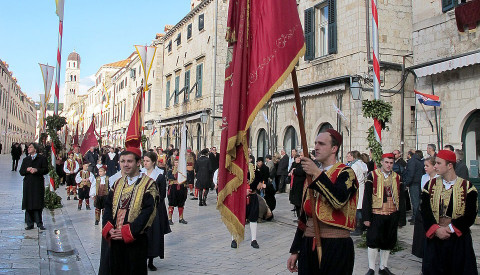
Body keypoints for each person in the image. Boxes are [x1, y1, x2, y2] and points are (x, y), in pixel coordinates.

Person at [287, 129, 358, 274]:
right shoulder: (311, 175)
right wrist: (296, 249)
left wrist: (317, 174)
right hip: (309, 243)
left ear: (334, 149)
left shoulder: (346, 173)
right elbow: (304, 217)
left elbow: (338, 201)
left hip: (336, 245)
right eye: (315, 143)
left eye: (321, 144)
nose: (316, 147)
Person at [101, 148, 158, 275]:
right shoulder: (117, 183)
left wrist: (128, 231)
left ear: (138, 163)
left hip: (135, 239)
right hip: (115, 238)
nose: (125, 164)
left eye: (129, 161)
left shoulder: (148, 185)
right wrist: (109, 227)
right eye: (122, 161)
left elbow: (148, 213)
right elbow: (108, 206)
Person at [420, 150, 478, 275]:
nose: (435, 166)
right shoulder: (429, 186)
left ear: (449, 165)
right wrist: (436, 229)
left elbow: (470, 215)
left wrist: (450, 228)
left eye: (439, 163)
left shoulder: (468, 187)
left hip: (458, 240)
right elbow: (425, 211)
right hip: (435, 238)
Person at [363, 153, 404, 275]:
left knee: (388, 240)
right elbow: (367, 197)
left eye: (391, 163)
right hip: (377, 213)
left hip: (392, 213)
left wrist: (401, 218)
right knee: (373, 240)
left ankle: (383, 267)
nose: (389, 165)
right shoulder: (373, 175)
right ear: (382, 162)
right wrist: (366, 217)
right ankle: (371, 268)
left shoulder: (398, 177)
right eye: (386, 162)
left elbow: (401, 199)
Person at [141, 152, 171, 271]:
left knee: (153, 234)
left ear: (153, 162)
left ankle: (151, 260)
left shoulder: (160, 175)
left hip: (155, 208)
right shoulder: (140, 174)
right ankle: (141, 258)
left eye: (147, 161)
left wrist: (153, 200)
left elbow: (162, 194)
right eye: (144, 161)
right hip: (141, 207)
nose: (145, 163)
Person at [411, 157, 437, 258]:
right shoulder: (424, 177)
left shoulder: (439, 178)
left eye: (427, 166)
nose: (425, 168)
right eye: (424, 166)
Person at [20, 143, 49, 230]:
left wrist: (37, 170)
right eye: (28, 147)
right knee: (28, 203)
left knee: (37, 203)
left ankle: (39, 223)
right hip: (28, 184)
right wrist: (27, 170)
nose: (28, 148)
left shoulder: (42, 158)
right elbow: (21, 172)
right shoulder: (26, 159)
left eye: (30, 147)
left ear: (35, 149)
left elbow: (46, 170)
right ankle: (30, 223)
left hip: (37, 183)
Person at [349, 151, 368, 236]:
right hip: (362, 186)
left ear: (353, 157)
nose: (347, 158)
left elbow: (352, 177)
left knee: (358, 209)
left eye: (348, 156)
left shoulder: (354, 165)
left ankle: (358, 228)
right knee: (360, 207)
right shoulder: (363, 164)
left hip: (358, 187)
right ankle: (362, 227)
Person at [404, 150, 424, 224]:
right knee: (416, 201)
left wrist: (407, 183)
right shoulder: (418, 161)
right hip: (418, 182)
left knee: (415, 201)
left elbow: (410, 173)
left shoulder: (412, 161)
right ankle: (415, 216)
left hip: (414, 183)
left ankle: (416, 218)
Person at [167, 156, 188, 225]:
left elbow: (187, 178)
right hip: (173, 188)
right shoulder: (171, 170)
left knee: (181, 204)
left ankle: (181, 218)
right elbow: (169, 177)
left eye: (178, 162)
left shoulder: (184, 170)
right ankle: (170, 219)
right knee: (171, 203)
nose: (177, 163)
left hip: (181, 188)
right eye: (176, 162)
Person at [289, 153, 305, 219]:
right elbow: (291, 170)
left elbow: (301, 171)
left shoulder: (304, 164)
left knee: (300, 202)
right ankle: (299, 215)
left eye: (301, 156)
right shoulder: (296, 164)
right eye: (299, 156)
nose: (300, 158)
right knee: (296, 202)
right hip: (295, 185)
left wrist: (294, 170)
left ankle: (301, 216)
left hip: (301, 186)